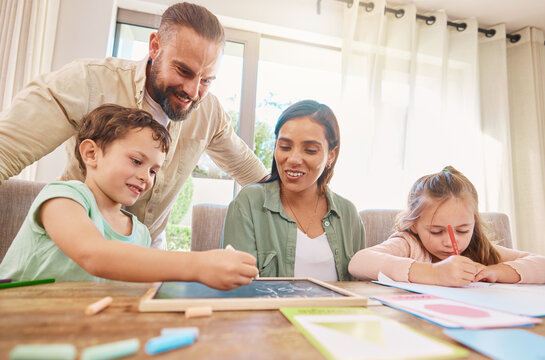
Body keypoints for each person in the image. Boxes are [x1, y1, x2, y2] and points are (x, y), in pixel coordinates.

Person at [0, 2, 268, 249]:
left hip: (145, 249)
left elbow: (258, 180)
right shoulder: (89, 82)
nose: (193, 90)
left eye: (207, 80)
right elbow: (4, 150)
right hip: (71, 247)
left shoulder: (209, 113)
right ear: (154, 46)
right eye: (183, 71)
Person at [0, 104, 258, 290]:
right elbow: (94, 255)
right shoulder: (63, 198)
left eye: (154, 170)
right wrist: (199, 264)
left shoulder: (141, 234)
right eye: (136, 161)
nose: (146, 177)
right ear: (91, 154)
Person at [221, 100, 365, 281]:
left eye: (310, 150)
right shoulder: (248, 204)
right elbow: (237, 289)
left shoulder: (348, 214)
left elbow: (360, 290)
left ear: (331, 155)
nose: (294, 159)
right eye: (285, 147)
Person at [348, 166, 545, 286]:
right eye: (436, 231)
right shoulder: (408, 245)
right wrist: (435, 273)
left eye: (463, 230)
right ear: (415, 224)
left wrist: (496, 271)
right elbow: (359, 262)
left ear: (474, 224)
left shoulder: (479, 249)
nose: (452, 241)